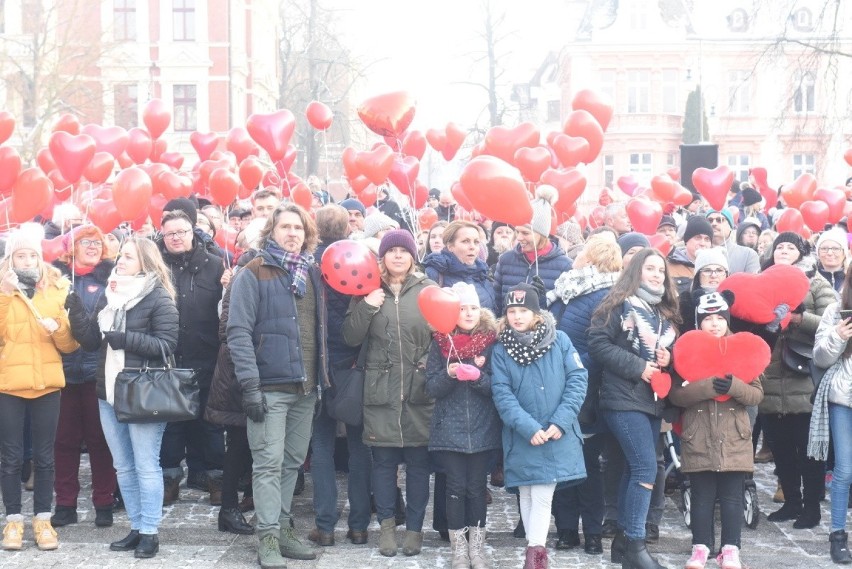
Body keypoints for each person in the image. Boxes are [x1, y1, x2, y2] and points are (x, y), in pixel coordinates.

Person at [227, 203, 329, 568]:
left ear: (307, 234)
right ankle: (267, 537)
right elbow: (237, 332)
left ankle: (284, 529)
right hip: (269, 386)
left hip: (306, 388)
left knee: (290, 465)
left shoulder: (313, 274)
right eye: (285, 227)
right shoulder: (253, 272)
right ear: (272, 231)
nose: (292, 234)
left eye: (299, 228)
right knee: (267, 465)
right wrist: (250, 386)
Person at [69, 237, 180, 559]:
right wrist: (77, 313)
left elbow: (167, 345)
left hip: (143, 393)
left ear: (145, 262)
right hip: (109, 392)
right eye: (120, 255)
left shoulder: (158, 297)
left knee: (146, 465)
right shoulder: (111, 293)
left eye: (128, 256)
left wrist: (125, 339)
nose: (120, 260)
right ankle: (135, 526)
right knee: (123, 466)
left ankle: (150, 532)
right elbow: (91, 341)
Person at [342, 229, 435, 558]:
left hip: (417, 392)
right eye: (391, 250)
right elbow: (350, 336)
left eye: (403, 250)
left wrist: (424, 365)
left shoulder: (428, 290)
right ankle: (385, 528)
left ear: (413, 256)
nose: (397, 256)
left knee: (418, 465)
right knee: (382, 465)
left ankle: (414, 529)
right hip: (379, 392)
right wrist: (367, 306)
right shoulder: (367, 288)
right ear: (381, 257)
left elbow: (442, 335)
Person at [588, 248, 680, 568]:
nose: (656, 274)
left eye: (660, 270)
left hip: (652, 402)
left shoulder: (663, 313)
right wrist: (638, 366)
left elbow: (664, 353)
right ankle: (637, 545)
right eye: (650, 268)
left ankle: (624, 545)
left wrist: (669, 359)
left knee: (634, 468)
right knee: (644, 467)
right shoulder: (618, 304)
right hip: (622, 397)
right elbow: (598, 344)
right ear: (636, 271)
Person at [491, 283, 588, 569]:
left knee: (543, 493)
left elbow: (577, 380)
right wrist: (527, 427)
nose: (517, 316)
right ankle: (534, 551)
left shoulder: (561, 341)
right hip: (523, 434)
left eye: (523, 310)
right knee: (526, 490)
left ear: (536, 313)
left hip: (556, 432)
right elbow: (502, 393)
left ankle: (536, 555)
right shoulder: (501, 350)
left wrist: (561, 420)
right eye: (511, 311)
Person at [670, 290, 764, 569]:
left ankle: (731, 548)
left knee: (732, 497)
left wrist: (734, 386)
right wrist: (707, 386)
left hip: (734, 437)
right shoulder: (686, 353)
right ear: (698, 322)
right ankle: (700, 547)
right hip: (698, 435)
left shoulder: (741, 352)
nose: (714, 324)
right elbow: (676, 396)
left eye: (719, 318)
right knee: (701, 496)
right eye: (708, 318)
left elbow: (757, 395)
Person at [0, 224, 78, 552]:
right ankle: (13, 521)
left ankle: (43, 520)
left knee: (46, 457)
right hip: (9, 385)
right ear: (11, 258)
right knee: (11, 458)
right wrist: (5, 296)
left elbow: (70, 344)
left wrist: (58, 327)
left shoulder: (57, 287)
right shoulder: (3, 289)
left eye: (33, 254)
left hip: (47, 384)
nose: (28, 260)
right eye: (21, 254)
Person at [548, 233, 622, 555]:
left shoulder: (601, 295)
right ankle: (576, 530)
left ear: (590, 259)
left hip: (582, 389)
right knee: (576, 462)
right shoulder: (567, 290)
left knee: (578, 461)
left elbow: (600, 345)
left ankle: (580, 530)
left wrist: (572, 369)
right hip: (569, 386)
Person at [306, 205, 373, 547]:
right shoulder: (360, 258)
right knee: (361, 447)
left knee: (321, 447)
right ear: (347, 227)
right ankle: (359, 525)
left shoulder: (307, 265)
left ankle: (326, 525)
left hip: (318, 365)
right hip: (354, 368)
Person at [760, 232, 836, 530]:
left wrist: (797, 318)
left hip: (804, 378)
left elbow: (832, 324)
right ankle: (791, 501)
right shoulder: (761, 280)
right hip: (768, 377)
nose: (784, 250)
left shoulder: (816, 283)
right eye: (780, 246)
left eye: (791, 246)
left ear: (801, 252)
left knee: (808, 451)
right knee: (780, 448)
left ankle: (812, 508)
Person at [425, 282, 501, 569]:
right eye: (462, 308)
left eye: (473, 308)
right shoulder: (440, 343)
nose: (468, 313)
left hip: (482, 428)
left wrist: (478, 377)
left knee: (476, 488)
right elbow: (431, 387)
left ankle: (477, 549)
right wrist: (451, 374)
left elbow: (499, 386)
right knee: (455, 488)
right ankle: (459, 550)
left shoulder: (491, 343)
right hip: (450, 429)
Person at [157, 209, 225, 505]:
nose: (176, 238)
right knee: (171, 426)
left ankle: (217, 482)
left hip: (207, 356)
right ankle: (169, 482)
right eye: (170, 233)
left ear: (193, 233)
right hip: (169, 359)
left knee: (210, 426)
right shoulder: (155, 266)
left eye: (181, 232)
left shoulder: (215, 265)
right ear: (162, 236)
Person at [51, 226, 117, 529]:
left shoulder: (110, 280)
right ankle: (65, 503)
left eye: (97, 241)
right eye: (84, 241)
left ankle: (104, 501)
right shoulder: (54, 280)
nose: (92, 246)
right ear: (71, 247)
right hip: (61, 373)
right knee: (63, 442)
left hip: (96, 373)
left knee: (100, 441)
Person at [811, 264, 852, 565]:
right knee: (845, 469)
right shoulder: (836, 311)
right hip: (843, 397)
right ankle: (837, 535)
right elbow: (820, 357)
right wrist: (839, 335)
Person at [493, 186, 572, 314]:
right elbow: (497, 303)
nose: (519, 238)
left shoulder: (565, 266)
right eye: (517, 231)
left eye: (525, 233)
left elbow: (565, 311)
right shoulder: (505, 260)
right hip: (508, 332)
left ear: (542, 234)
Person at [423, 220, 496, 311]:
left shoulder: (484, 273)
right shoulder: (435, 273)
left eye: (476, 242)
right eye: (465, 241)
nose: (472, 247)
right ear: (450, 246)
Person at [668, 216, 714, 294]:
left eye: (707, 239)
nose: (702, 243)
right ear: (687, 240)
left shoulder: (717, 268)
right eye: (698, 238)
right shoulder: (670, 266)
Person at [705, 210, 760, 274]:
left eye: (719, 220)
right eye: (710, 220)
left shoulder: (748, 254)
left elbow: (752, 282)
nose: (714, 223)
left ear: (730, 227)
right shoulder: (698, 251)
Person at [816, 228, 848, 293]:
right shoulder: (809, 279)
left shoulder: (850, 278)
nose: (829, 253)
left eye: (836, 249)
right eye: (824, 248)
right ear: (818, 253)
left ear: (844, 253)